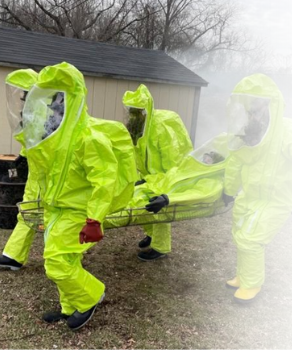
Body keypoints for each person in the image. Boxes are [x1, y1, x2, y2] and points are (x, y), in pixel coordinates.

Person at [20, 62, 134, 330]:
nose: (54, 108)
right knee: (67, 259)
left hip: (78, 213)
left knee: (56, 263)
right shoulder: (57, 139)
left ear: (72, 100)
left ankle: (91, 295)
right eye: (52, 101)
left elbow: (104, 181)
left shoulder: (89, 138)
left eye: (59, 101)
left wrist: (94, 219)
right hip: (57, 209)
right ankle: (69, 306)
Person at [222, 74, 292, 303]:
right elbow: (236, 160)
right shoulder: (251, 132)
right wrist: (229, 189)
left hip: (276, 200)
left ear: (271, 106)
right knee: (240, 235)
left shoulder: (289, 134)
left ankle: (251, 285)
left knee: (251, 240)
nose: (253, 115)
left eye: (258, 109)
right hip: (250, 196)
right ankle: (244, 276)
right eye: (250, 110)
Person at [122, 84, 193, 261]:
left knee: (159, 208)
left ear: (144, 111)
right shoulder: (138, 128)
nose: (133, 115)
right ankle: (151, 235)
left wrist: (166, 181)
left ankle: (160, 247)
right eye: (131, 111)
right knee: (145, 205)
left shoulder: (160, 126)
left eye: (136, 112)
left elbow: (171, 160)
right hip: (148, 175)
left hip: (163, 175)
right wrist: (142, 178)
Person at [0, 69, 40, 270]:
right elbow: (31, 139)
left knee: (57, 217)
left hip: (54, 175)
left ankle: (66, 261)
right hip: (38, 173)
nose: (22, 98)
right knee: (27, 211)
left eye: (26, 93)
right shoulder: (32, 111)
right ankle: (13, 257)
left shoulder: (46, 110)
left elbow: (48, 140)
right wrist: (23, 155)